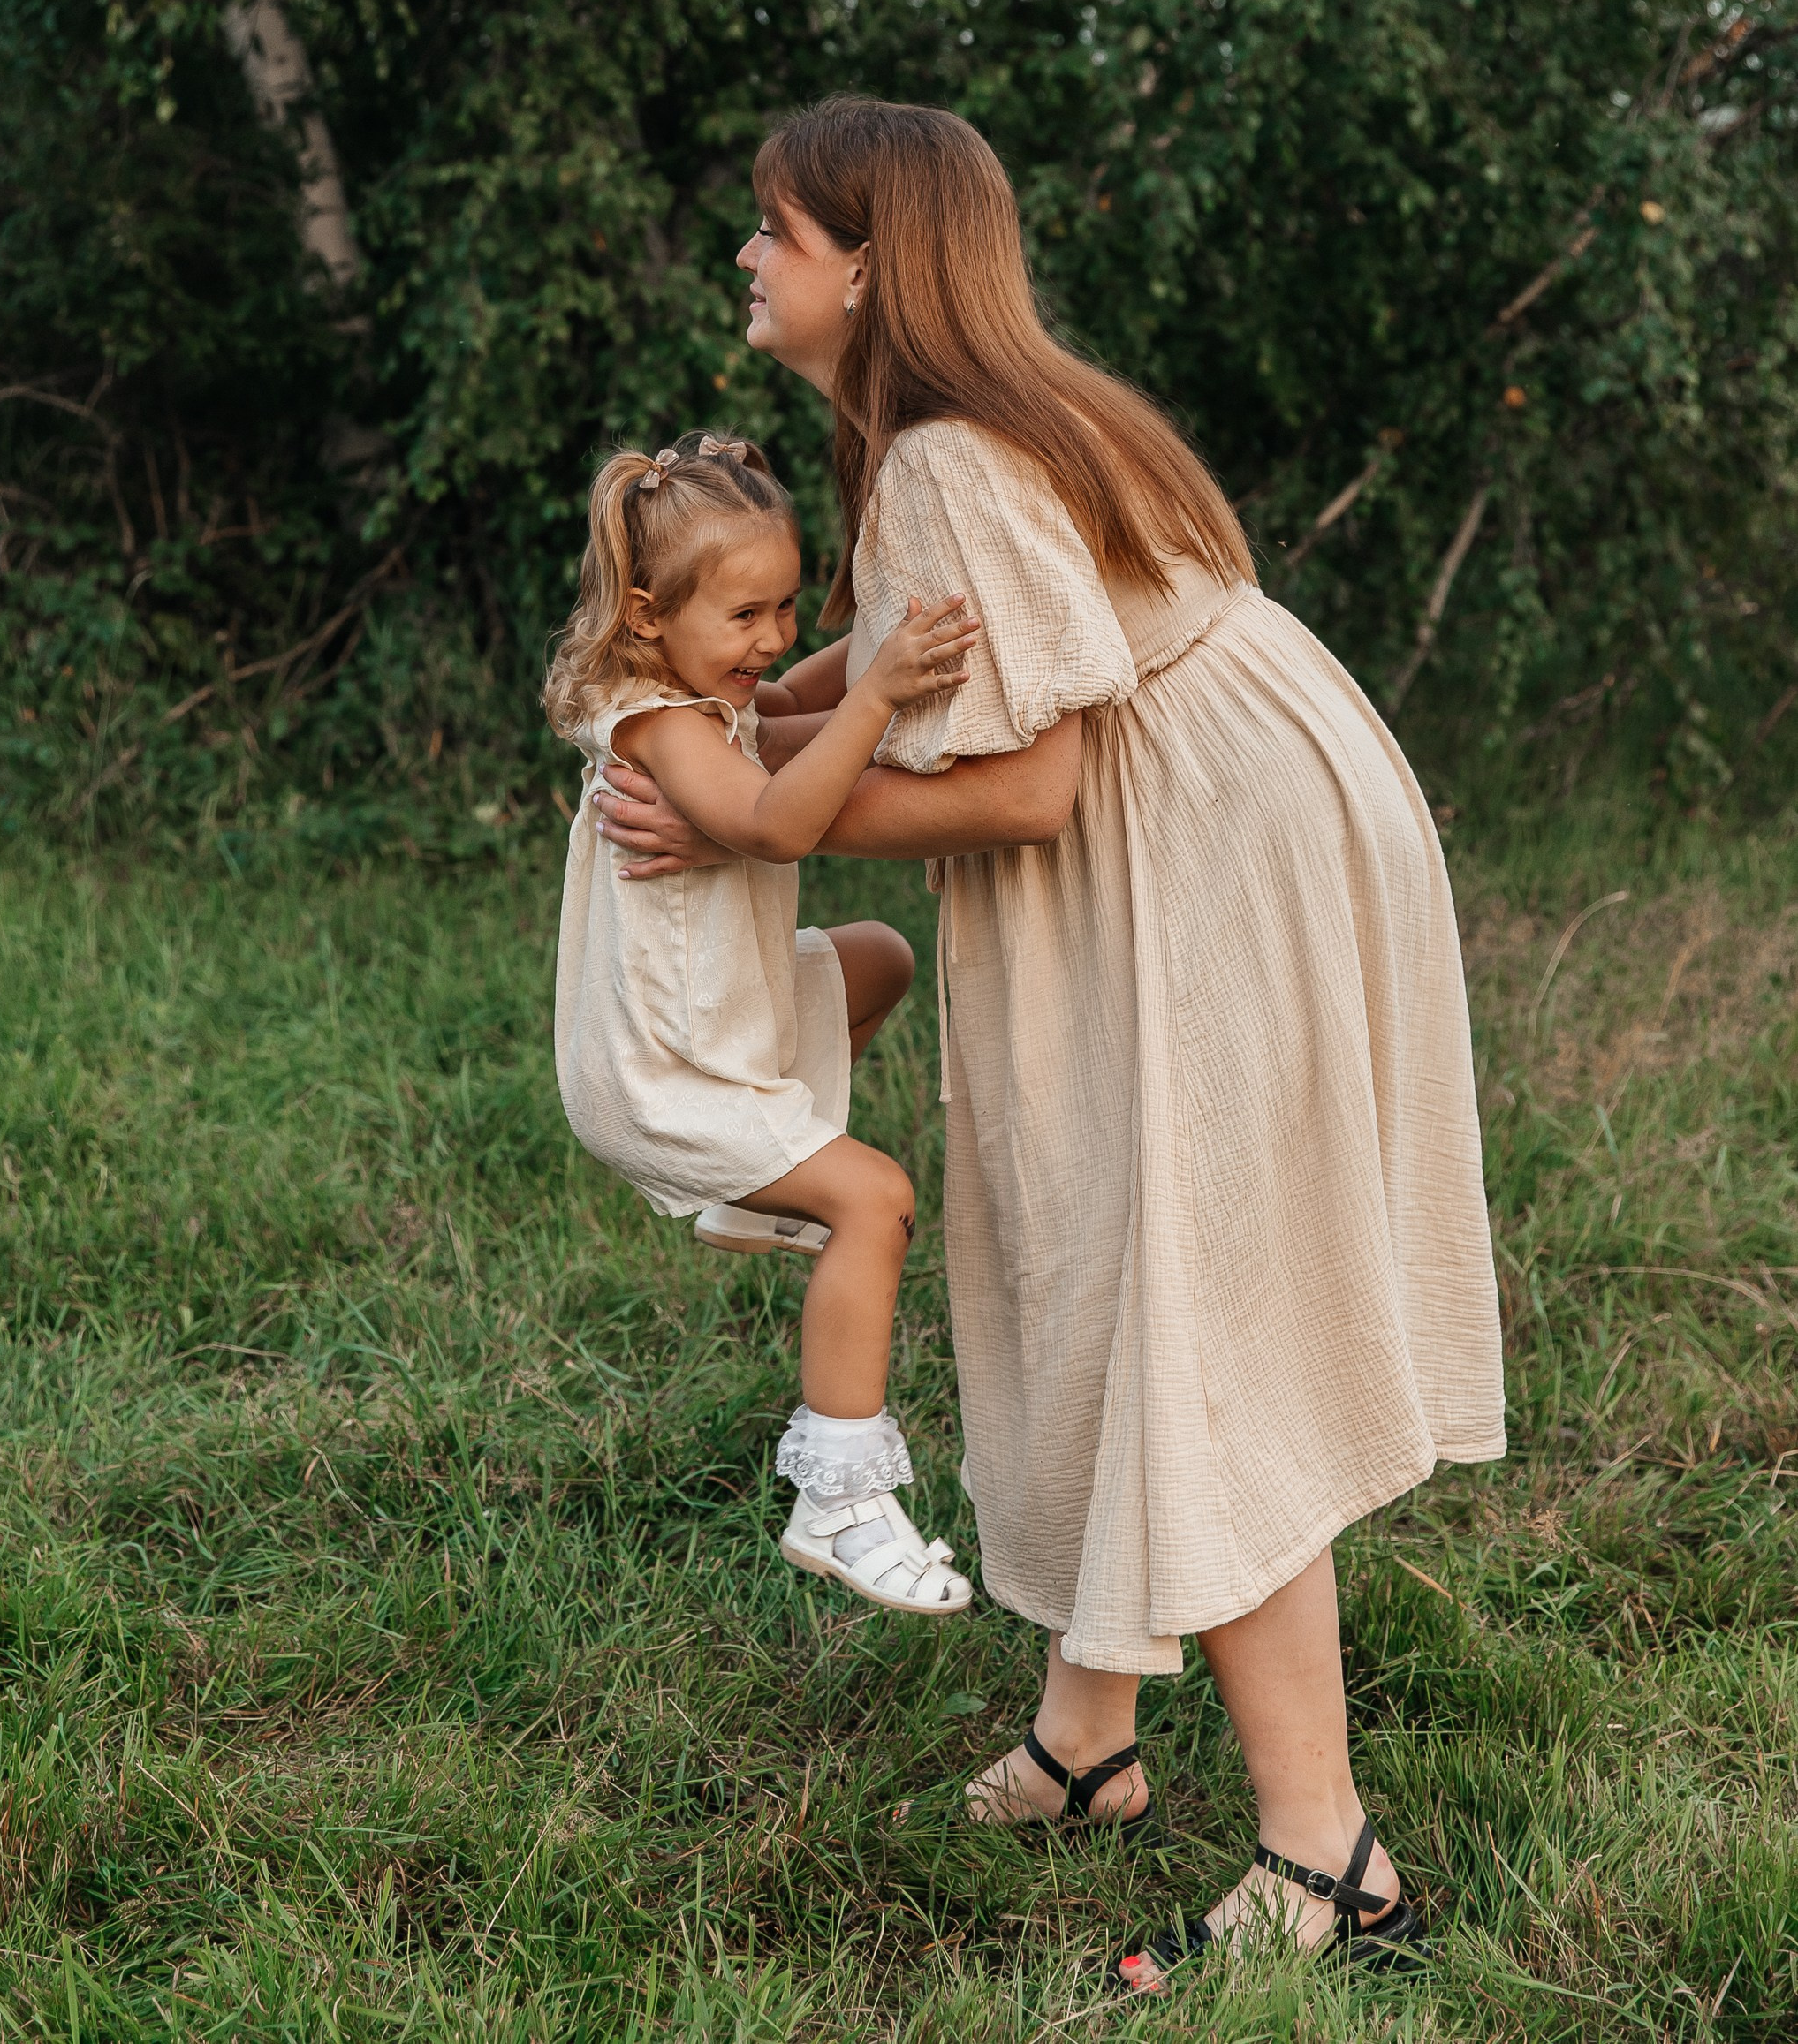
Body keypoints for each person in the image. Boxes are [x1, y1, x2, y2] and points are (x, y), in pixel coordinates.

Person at [594, 103, 1506, 1990]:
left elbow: (1037, 778)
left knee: (1185, 1296)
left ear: (867, 261)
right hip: (1261, 794)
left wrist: (768, 822)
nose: (749, 259)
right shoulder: (984, 418)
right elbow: (885, 649)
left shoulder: (937, 445)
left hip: (1190, 848)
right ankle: (1088, 1737)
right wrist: (747, 742)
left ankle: (1329, 1866)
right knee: (1109, 1262)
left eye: (775, 230)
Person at [547, 426, 983, 1617]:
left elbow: (790, 706)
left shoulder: (705, 691)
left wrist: (886, 635)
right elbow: (782, 820)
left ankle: (763, 1178)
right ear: (645, 614)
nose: (775, 639)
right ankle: (839, 1498)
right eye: (746, 615)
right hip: (670, 1068)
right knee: (875, 1199)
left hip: (724, 1012)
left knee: (877, 959)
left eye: (789, 605)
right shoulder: (655, 722)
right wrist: (885, 687)